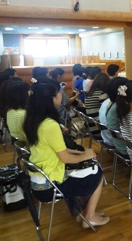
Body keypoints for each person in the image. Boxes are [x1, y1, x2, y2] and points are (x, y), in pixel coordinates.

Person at [23, 78, 109, 228]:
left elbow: (52, 148)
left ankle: (84, 212)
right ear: (51, 98)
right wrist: (85, 155)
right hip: (49, 185)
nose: (61, 95)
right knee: (97, 171)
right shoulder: (49, 125)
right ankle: (90, 217)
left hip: (40, 178)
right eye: (58, 93)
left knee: (87, 166)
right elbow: (65, 158)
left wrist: (77, 152)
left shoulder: (33, 119)